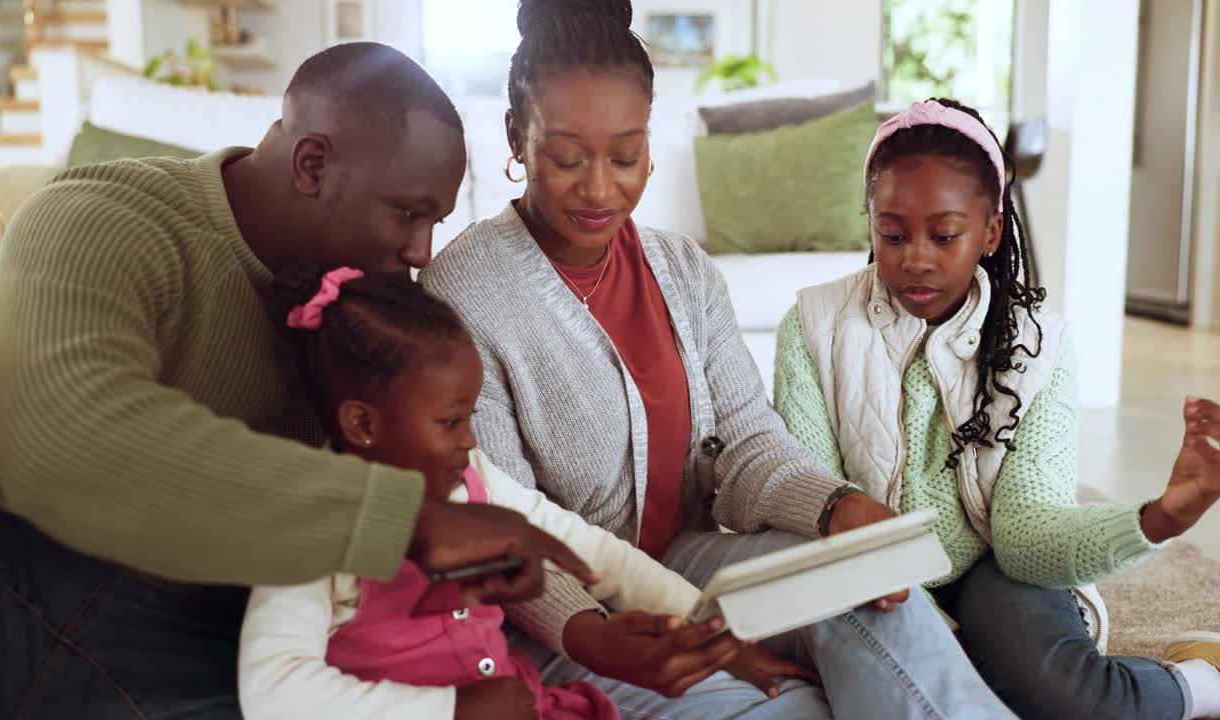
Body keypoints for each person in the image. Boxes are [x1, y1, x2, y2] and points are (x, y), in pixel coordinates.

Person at [420, 1, 1015, 717]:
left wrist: (834, 508)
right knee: (799, 710)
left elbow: (747, 445)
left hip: (692, 567)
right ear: (516, 136)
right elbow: (498, 522)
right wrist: (598, 636)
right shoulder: (466, 290)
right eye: (568, 158)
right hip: (574, 622)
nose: (600, 188)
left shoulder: (683, 270)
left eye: (626, 155)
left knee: (869, 596)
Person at [0, 43, 596, 719]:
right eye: (408, 214)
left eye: (434, 223)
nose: (420, 253)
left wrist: (571, 616)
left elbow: (460, 490)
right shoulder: (102, 220)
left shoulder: (361, 302)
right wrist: (399, 520)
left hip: (249, 613)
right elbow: (55, 436)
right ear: (313, 165)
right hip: (39, 576)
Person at [773, 97, 1220, 720]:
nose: (915, 258)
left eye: (945, 236)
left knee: (1072, 701)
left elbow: (1026, 536)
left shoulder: (1039, 346)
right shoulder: (811, 327)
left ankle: (1212, 682)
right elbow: (817, 503)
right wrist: (920, 619)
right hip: (866, 568)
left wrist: (1160, 517)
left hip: (994, 563)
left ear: (990, 231)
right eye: (892, 234)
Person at [239, 268, 804, 720]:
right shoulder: (312, 531)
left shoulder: (474, 480)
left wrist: (713, 632)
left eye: (471, 418)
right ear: (363, 424)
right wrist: (450, 710)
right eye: (450, 422)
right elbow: (272, 691)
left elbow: (594, 553)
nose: (469, 441)